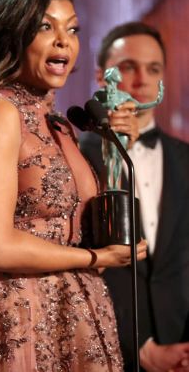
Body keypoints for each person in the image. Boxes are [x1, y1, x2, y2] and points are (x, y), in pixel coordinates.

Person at [0, 0, 148, 371]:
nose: (63, 41)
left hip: (74, 311)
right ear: (11, 34)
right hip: (15, 311)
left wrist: (117, 147)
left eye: (72, 29)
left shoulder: (59, 123)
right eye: (45, 27)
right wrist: (92, 257)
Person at [81, 22, 189, 372]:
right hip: (109, 348)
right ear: (102, 77)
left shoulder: (186, 159)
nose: (142, 79)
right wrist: (137, 348)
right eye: (128, 67)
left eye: (153, 69)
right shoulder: (77, 157)